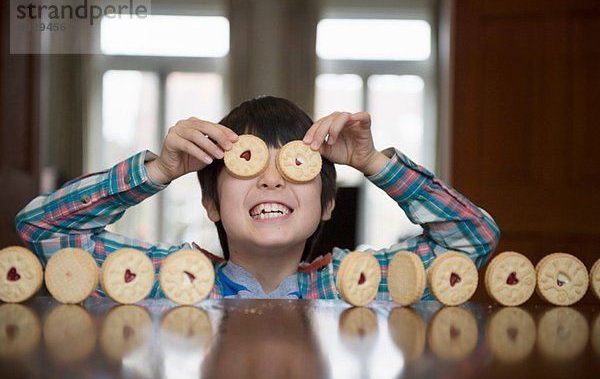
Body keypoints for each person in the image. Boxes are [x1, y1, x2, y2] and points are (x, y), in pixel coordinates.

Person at [15, 96, 500, 300]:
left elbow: (471, 242)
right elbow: (42, 230)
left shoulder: (364, 286)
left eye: (291, 166)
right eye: (249, 166)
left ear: (329, 203)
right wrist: (158, 171)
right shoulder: (158, 282)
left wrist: (376, 163)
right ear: (211, 201)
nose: (271, 181)